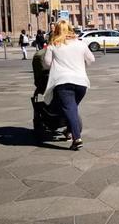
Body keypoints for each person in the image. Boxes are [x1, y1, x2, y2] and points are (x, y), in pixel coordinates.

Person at [42, 20, 95, 150]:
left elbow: (47, 64)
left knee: (70, 109)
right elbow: (91, 59)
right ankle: (69, 131)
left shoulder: (53, 45)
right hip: (81, 82)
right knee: (72, 108)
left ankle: (77, 138)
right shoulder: (80, 44)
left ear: (56, 31)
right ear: (71, 29)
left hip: (63, 82)